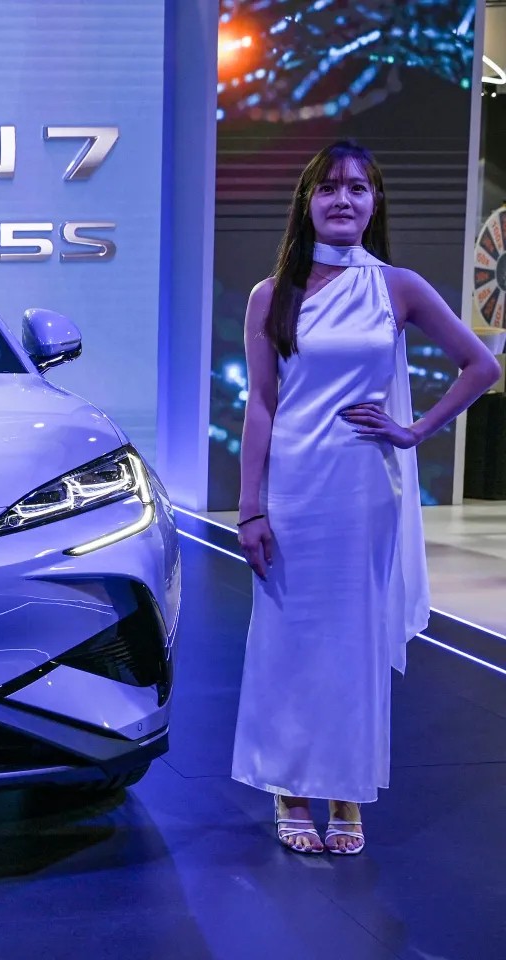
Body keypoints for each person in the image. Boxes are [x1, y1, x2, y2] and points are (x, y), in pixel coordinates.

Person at [232, 140, 499, 855]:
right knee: (289, 642)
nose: (343, 199)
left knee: (354, 644)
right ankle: (290, 788)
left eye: (357, 187)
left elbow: (481, 364)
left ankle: (347, 792)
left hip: (362, 492)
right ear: (307, 201)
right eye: (328, 187)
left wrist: (415, 431)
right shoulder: (271, 295)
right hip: (292, 489)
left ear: (375, 201)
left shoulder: (397, 287)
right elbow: (262, 404)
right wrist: (250, 506)